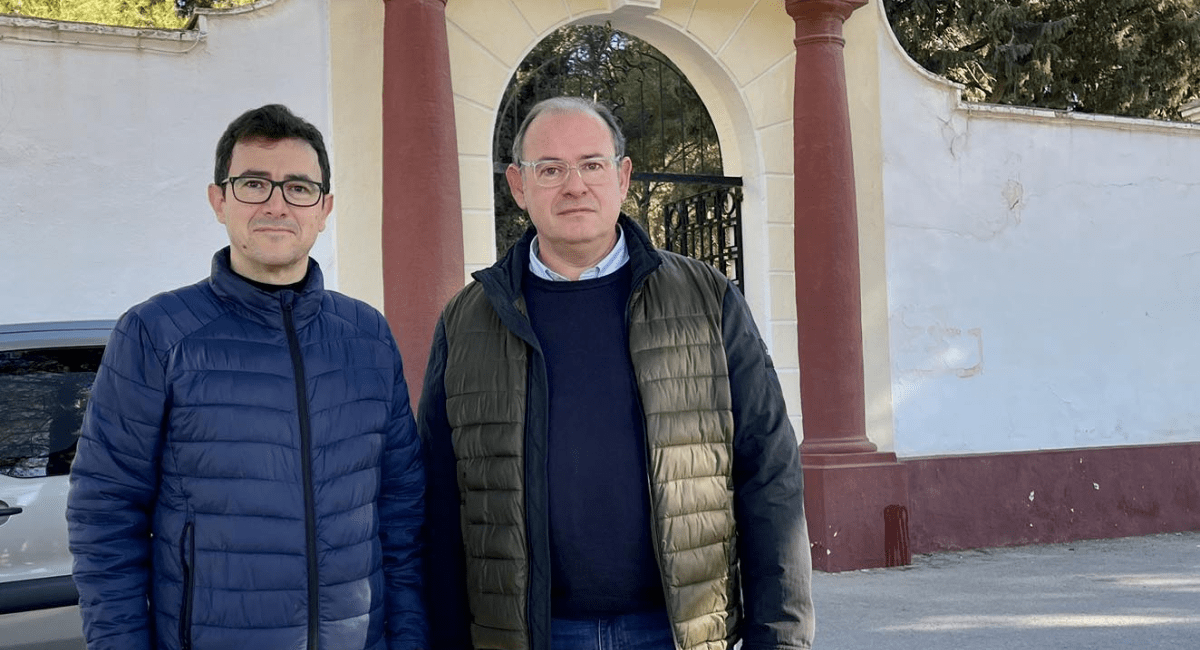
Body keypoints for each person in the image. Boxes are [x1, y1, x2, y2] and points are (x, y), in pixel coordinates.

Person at [419, 96, 814, 650]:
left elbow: (769, 471)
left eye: (592, 164)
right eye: (550, 169)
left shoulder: (707, 300)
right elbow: (440, 497)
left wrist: (782, 636)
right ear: (517, 186)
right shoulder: (469, 319)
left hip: (680, 631)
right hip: (531, 636)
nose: (573, 185)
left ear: (623, 176)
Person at [66, 104, 426, 650]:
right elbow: (104, 515)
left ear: (324, 208)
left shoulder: (368, 337)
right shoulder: (155, 334)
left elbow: (401, 513)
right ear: (220, 200)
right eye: (255, 183)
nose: (277, 204)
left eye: (299, 188)